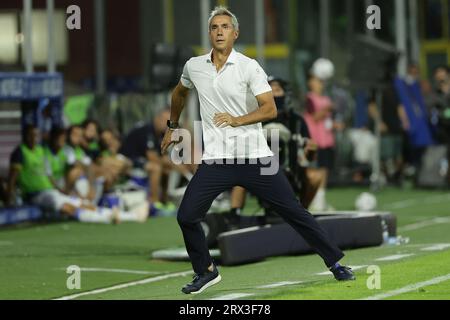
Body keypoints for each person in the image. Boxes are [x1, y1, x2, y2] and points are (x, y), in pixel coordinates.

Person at [161, 6, 355, 295]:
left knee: (293, 212)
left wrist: (237, 119)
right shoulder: (194, 66)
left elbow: (270, 108)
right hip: (216, 160)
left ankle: (335, 262)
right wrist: (173, 125)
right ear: (209, 33)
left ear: (235, 33)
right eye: (214, 27)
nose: (219, 32)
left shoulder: (249, 66)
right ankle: (206, 271)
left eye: (225, 27)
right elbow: (179, 91)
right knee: (186, 216)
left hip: (255, 158)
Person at [6, 125, 148, 224]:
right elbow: (13, 176)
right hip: (37, 194)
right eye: (30, 135)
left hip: (51, 191)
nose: (33, 138)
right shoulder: (20, 152)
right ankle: (116, 217)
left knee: (82, 203)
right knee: (69, 207)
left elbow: (49, 175)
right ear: (24, 136)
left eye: (35, 135)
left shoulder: (39, 151)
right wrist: (9, 197)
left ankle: (129, 216)